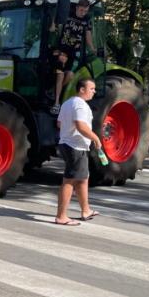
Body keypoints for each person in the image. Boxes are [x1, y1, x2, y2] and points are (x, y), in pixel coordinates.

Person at [55, 78, 102, 225]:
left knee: (83, 178)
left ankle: (85, 210)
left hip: (67, 143)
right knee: (69, 180)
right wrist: (96, 138)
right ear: (82, 89)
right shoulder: (81, 105)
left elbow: (59, 123)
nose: (94, 91)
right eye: (92, 88)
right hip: (75, 146)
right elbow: (81, 126)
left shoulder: (68, 103)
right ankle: (61, 216)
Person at [50, 0, 96, 114]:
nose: (83, 13)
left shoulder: (86, 20)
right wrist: (53, 25)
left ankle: (53, 90)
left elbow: (88, 36)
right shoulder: (68, 15)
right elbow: (55, 22)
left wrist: (93, 48)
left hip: (73, 52)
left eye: (85, 11)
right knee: (60, 75)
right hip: (62, 49)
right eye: (81, 10)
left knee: (70, 75)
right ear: (76, 8)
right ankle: (56, 103)